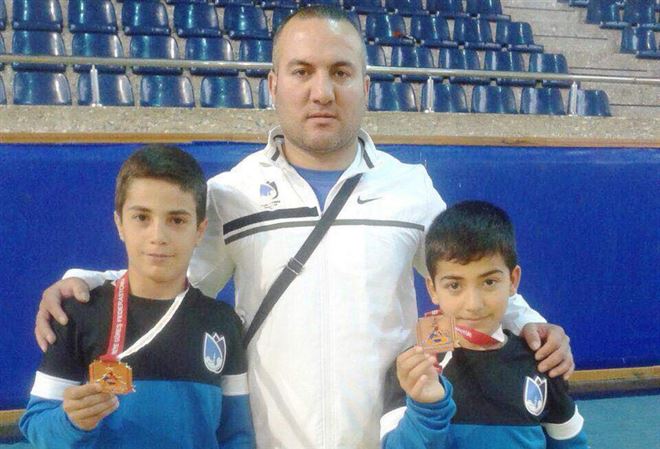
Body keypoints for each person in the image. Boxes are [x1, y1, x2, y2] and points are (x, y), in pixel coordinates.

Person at [34, 6, 574, 449]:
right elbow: (169, 276)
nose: (322, 92)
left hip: (387, 438)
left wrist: (531, 323)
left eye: (340, 72)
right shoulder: (233, 193)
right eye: (302, 71)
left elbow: (468, 269)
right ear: (273, 83)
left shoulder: (409, 189)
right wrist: (88, 281)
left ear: (365, 84)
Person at [20, 145, 255, 449]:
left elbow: (236, 436)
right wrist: (71, 422)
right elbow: (35, 423)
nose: (158, 236)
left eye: (177, 220)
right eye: (142, 217)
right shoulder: (78, 314)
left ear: (199, 231)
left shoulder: (222, 323)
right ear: (120, 224)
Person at [381, 201, 588, 449]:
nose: (473, 304)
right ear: (433, 289)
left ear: (513, 281)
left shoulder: (542, 362)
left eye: (489, 282)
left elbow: (572, 445)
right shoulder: (411, 369)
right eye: (454, 285)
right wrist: (426, 409)